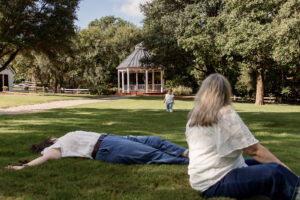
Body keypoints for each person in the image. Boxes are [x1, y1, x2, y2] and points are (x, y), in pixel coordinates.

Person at [185, 73, 300, 200]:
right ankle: (296, 192)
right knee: (275, 171)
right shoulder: (225, 114)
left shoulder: (193, 118)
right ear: (225, 93)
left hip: (200, 180)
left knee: (261, 164)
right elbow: (254, 150)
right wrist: (285, 168)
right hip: (215, 183)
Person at [5, 131, 189, 170]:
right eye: (52, 138)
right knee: (153, 154)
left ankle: (186, 152)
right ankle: (193, 161)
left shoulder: (66, 136)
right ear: (49, 142)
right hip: (107, 148)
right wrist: (25, 166)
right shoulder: (54, 147)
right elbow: (47, 157)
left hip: (112, 138)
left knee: (152, 140)